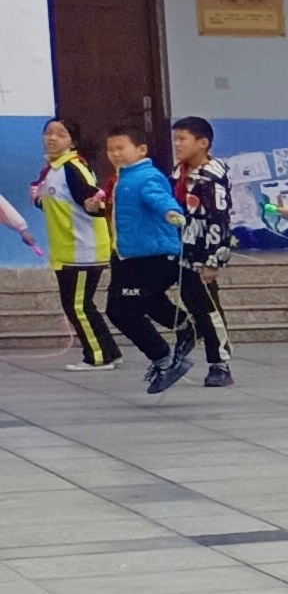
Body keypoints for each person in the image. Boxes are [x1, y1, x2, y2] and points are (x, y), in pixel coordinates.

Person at [98, 125, 195, 395]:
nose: (115, 154)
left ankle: (164, 358)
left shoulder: (147, 176)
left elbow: (160, 199)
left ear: (141, 150)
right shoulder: (122, 178)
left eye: (121, 148)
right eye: (110, 149)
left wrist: (172, 213)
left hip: (153, 255)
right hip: (128, 256)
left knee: (124, 310)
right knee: (145, 302)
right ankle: (186, 327)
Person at [32, 118, 116, 368]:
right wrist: (38, 200)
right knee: (79, 305)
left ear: (72, 141)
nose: (52, 138)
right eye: (48, 133)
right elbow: (59, 205)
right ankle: (109, 351)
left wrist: (95, 205)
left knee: (77, 306)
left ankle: (98, 357)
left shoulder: (73, 167)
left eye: (61, 134)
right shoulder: (52, 170)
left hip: (84, 249)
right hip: (66, 250)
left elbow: (94, 202)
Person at [164, 115, 240, 386]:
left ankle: (220, 362)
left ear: (203, 143)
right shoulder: (179, 172)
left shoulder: (211, 177)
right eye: (176, 139)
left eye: (183, 139)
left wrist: (214, 260)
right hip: (181, 249)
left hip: (202, 253)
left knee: (208, 308)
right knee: (190, 302)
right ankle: (190, 332)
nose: (177, 144)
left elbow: (220, 220)